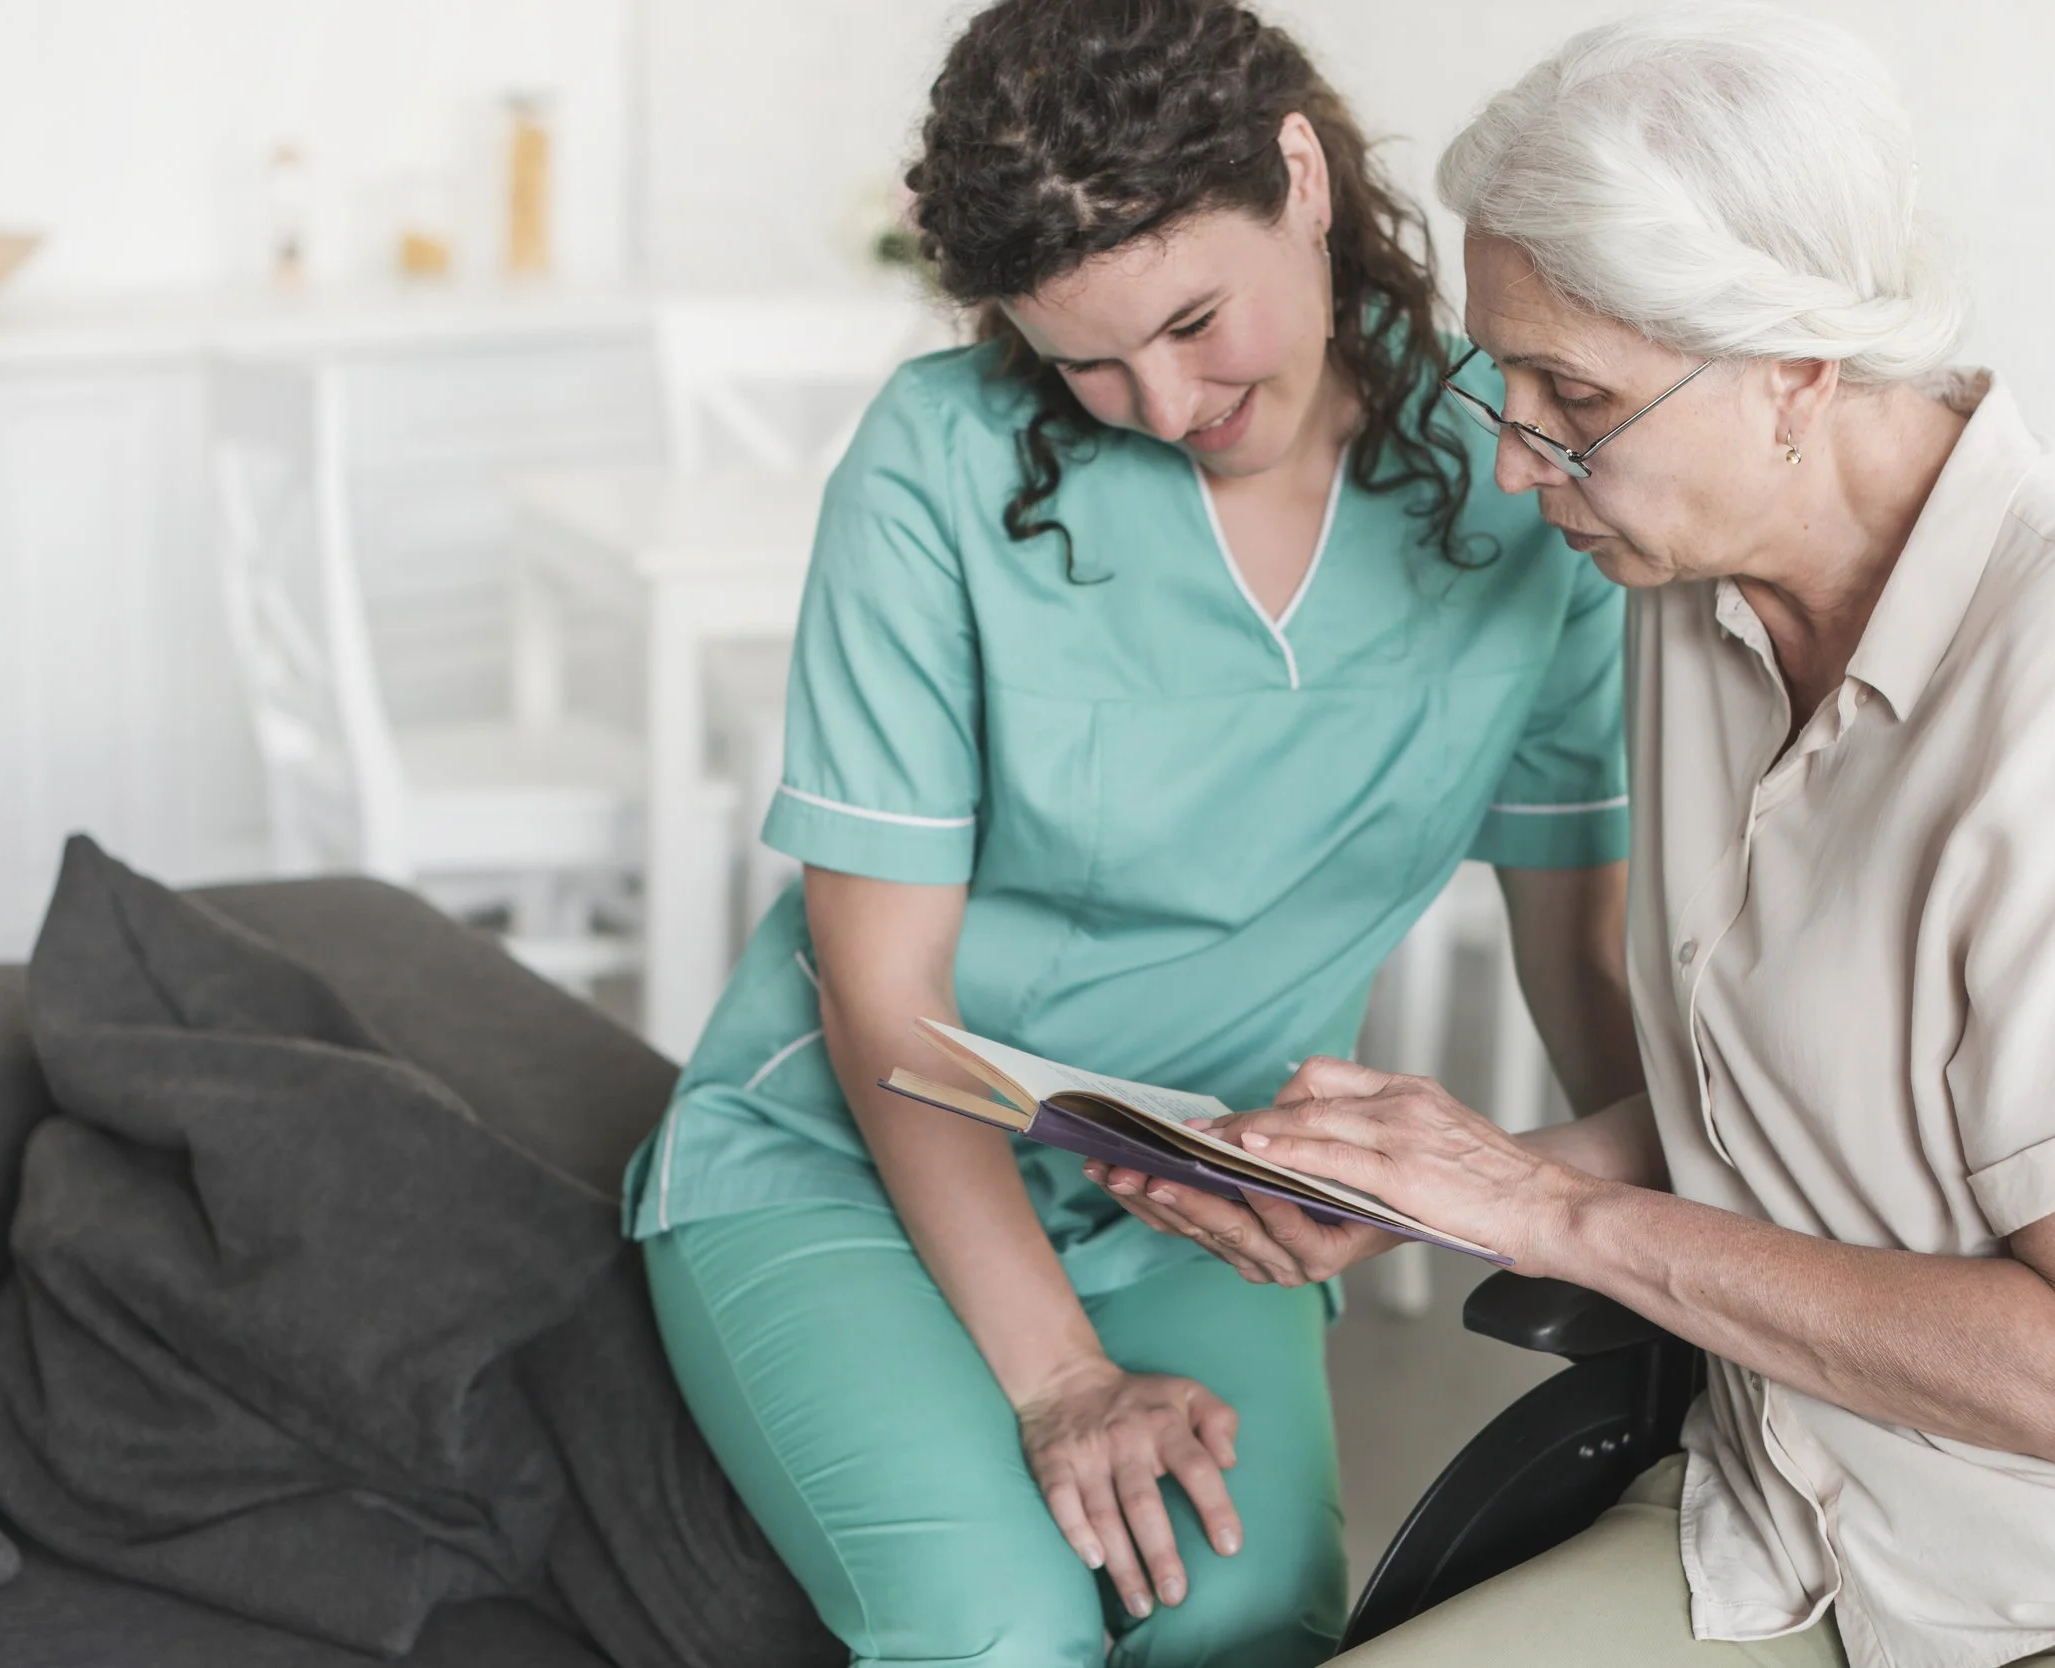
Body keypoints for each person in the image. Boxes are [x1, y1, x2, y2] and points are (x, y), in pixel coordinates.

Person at [1091, 8, 2055, 1666]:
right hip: (1798, 1506)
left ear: (1798, 369)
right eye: (1512, 379)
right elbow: (1808, 1108)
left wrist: (1549, 1218)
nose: (1512, 461)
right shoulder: (1693, 578)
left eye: (1576, 392)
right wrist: (1437, 1188)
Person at [619, 2, 1642, 1662]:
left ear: (1302, 179)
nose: (1160, 402)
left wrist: (1625, 1236)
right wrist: (1062, 1382)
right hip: (844, 1171)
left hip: (1195, 1200)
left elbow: (1579, 950)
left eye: (1191, 321)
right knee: (1001, 1633)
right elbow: (884, 1001)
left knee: (1247, 1623)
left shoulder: (1515, 475)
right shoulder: (934, 466)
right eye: (1082, 361)